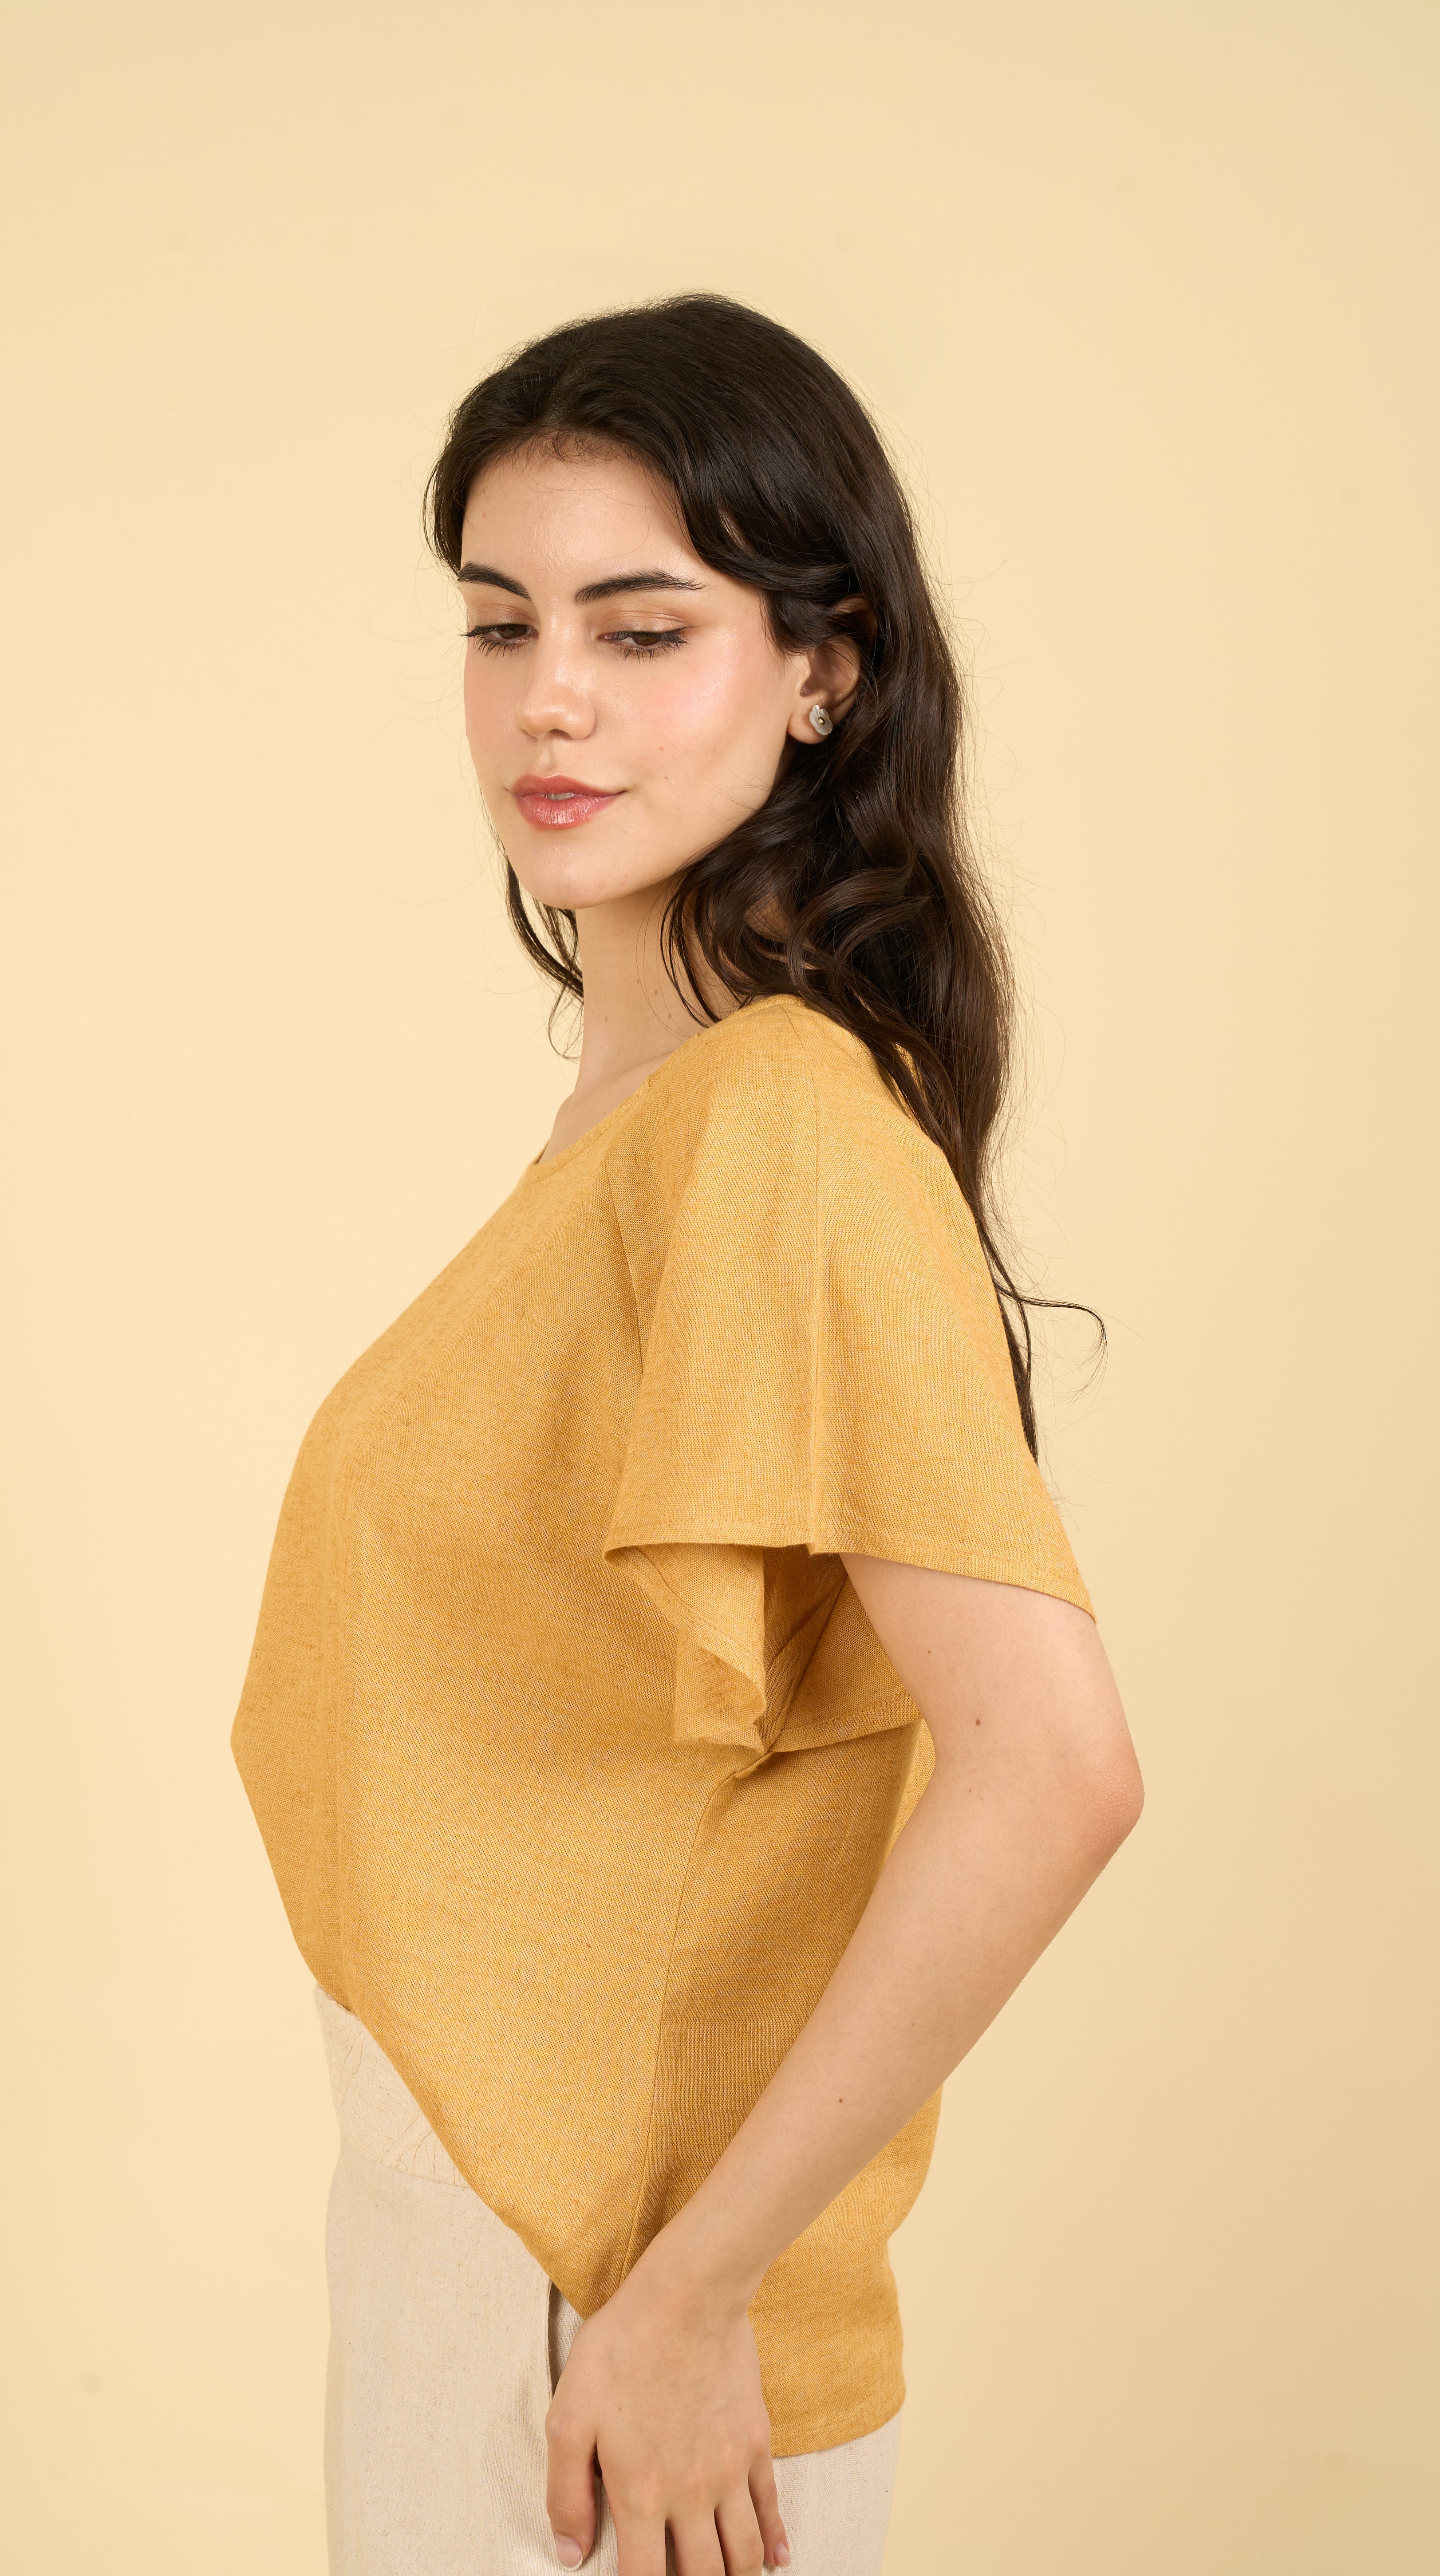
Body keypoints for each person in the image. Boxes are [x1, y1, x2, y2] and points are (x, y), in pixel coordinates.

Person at [232, 293, 1142, 2576]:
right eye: (499, 624)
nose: (548, 697)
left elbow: (1049, 1764)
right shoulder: (643, 1117)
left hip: (609, 2329)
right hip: (488, 2264)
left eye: (641, 632)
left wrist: (688, 2298)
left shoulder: (775, 1124)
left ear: (820, 671)